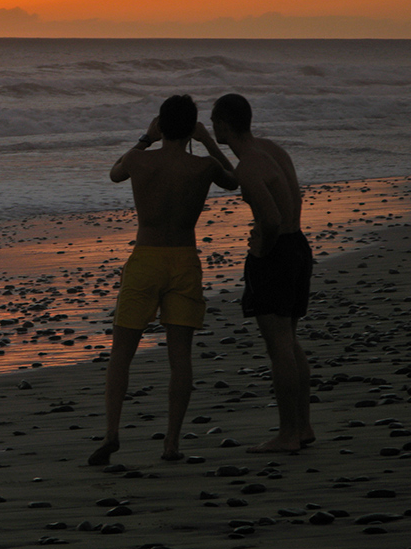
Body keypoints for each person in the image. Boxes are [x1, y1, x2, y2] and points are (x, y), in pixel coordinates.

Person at [89, 95, 238, 466]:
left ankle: (112, 433)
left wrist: (145, 137)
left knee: (122, 352)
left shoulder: (141, 160)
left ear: (160, 124)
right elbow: (234, 181)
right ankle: (171, 443)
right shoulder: (202, 167)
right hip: (184, 260)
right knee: (180, 357)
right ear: (190, 127)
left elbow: (114, 173)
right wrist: (206, 141)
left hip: (146, 259)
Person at [202, 93, 315, 453]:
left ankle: (287, 435)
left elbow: (269, 217)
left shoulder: (251, 164)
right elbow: (239, 176)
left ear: (222, 124)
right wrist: (205, 142)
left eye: (212, 124)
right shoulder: (268, 150)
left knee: (278, 345)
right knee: (290, 340)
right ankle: (303, 426)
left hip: (277, 254)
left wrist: (261, 249)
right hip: (298, 246)